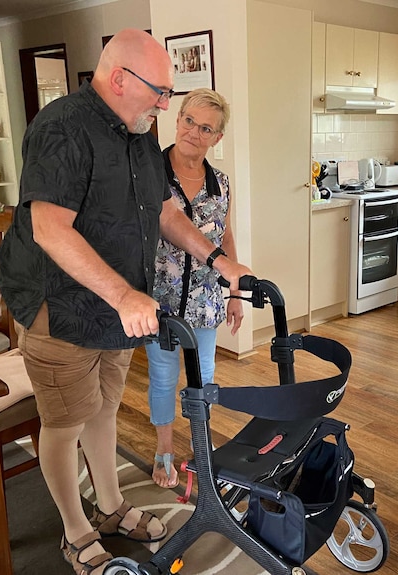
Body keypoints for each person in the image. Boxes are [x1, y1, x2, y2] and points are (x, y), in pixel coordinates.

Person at [0, 29, 251, 575]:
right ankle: (75, 529)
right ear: (119, 79)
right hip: (59, 305)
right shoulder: (63, 127)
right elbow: (49, 227)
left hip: (118, 310)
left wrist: (218, 260)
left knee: (104, 409)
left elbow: (165, 213)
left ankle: (110, 507)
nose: (166, 105)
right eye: (160, 92)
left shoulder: (138, 132)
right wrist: (124, 293)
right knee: (63, 423)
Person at [146, 88, 243, 488]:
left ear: (217, 138)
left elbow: (226, 236)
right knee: (165, 378)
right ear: (177, 118)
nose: (194, 132)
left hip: (204, 301)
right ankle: (164, 453)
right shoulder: (150, 171)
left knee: (202, 377)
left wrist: (235, 292)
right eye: (189, 121)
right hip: (159, 299)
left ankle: (201, 450)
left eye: (206, 128)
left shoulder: (220, 183)